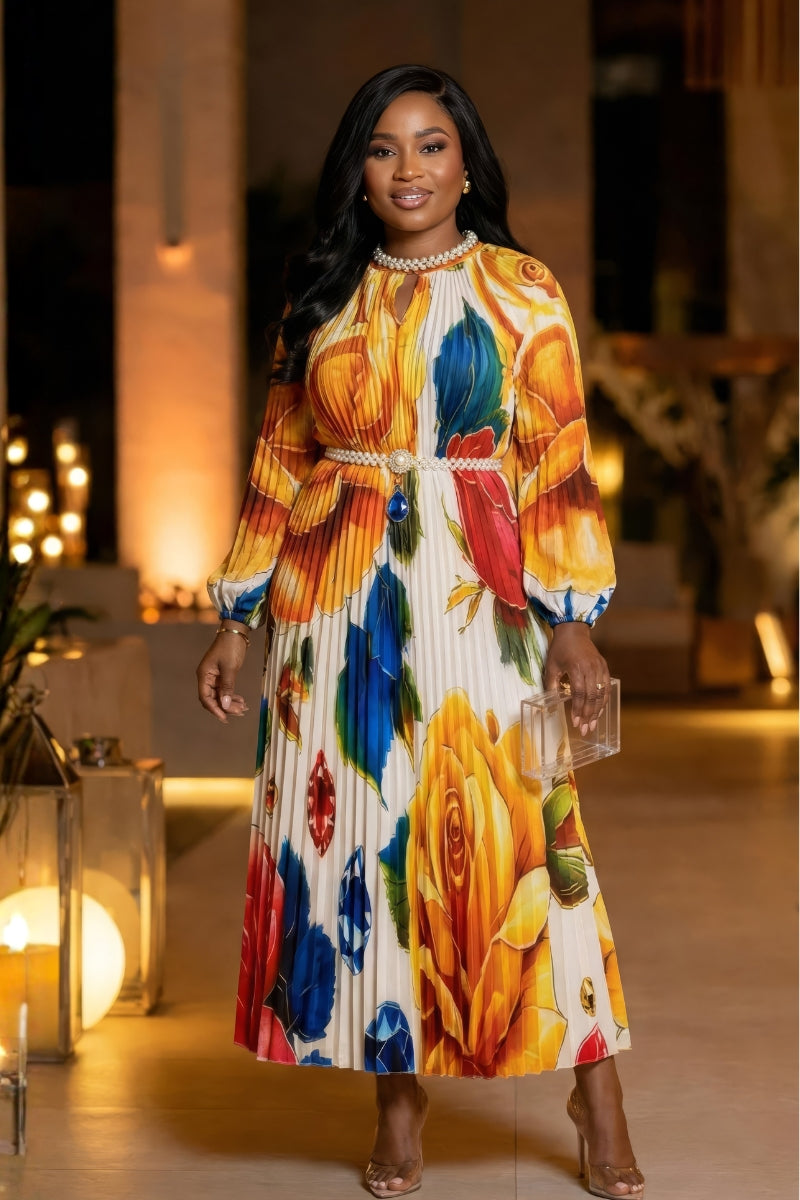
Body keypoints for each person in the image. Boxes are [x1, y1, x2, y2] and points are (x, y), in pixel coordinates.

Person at [196, 64, 644, 1199]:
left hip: (478, 594)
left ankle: (594, 1090)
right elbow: (275, 465)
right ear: (356, 170)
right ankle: (398, 1103)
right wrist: (238, 615)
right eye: (383, 148)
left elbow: (556, 466)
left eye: (430, 146)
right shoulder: (318, 296)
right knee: (368, 847)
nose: (407, 170)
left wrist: (573, 624)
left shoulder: (520, 288)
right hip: (334, 600)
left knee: (535, 842)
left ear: (464, 161)